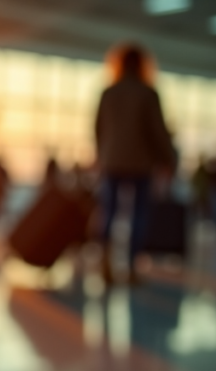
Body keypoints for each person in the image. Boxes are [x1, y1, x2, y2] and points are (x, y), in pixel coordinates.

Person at [94, 43, 174, 283]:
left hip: (112, 161)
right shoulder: (148, 93)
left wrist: (102, 155)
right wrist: (167, 158)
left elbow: (98, 129)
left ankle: (105, 259)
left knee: (108, 211)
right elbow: (157, 131)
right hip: (141, 163)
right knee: (138, 215)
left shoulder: (109, 92)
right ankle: (130, 268)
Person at [190, 154, 212, 221]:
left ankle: (203, 217)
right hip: (201, 191)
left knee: (203, 205)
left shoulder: (204, 171)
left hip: (203, 191)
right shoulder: (200, 170)